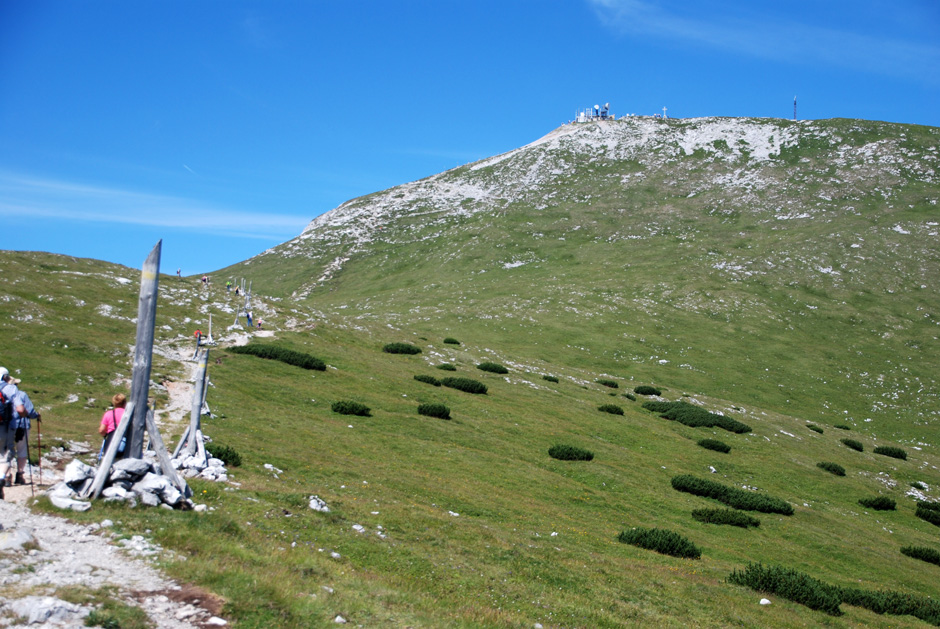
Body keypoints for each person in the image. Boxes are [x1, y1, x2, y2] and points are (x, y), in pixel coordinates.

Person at [0, 367, 40, 490]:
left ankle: (6, 476)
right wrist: (35, 415)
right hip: (20, 425)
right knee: (20, 450)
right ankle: (19, 475)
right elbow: (26, 410)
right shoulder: (18, 393)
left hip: (6, 425)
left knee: (4, 451)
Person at [98, 393, 127, 458]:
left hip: (111, 441)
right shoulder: (127, 413)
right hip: (125, 441)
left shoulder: (108, 414)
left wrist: (105, 435)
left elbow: (101, 430)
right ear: (125, 403)